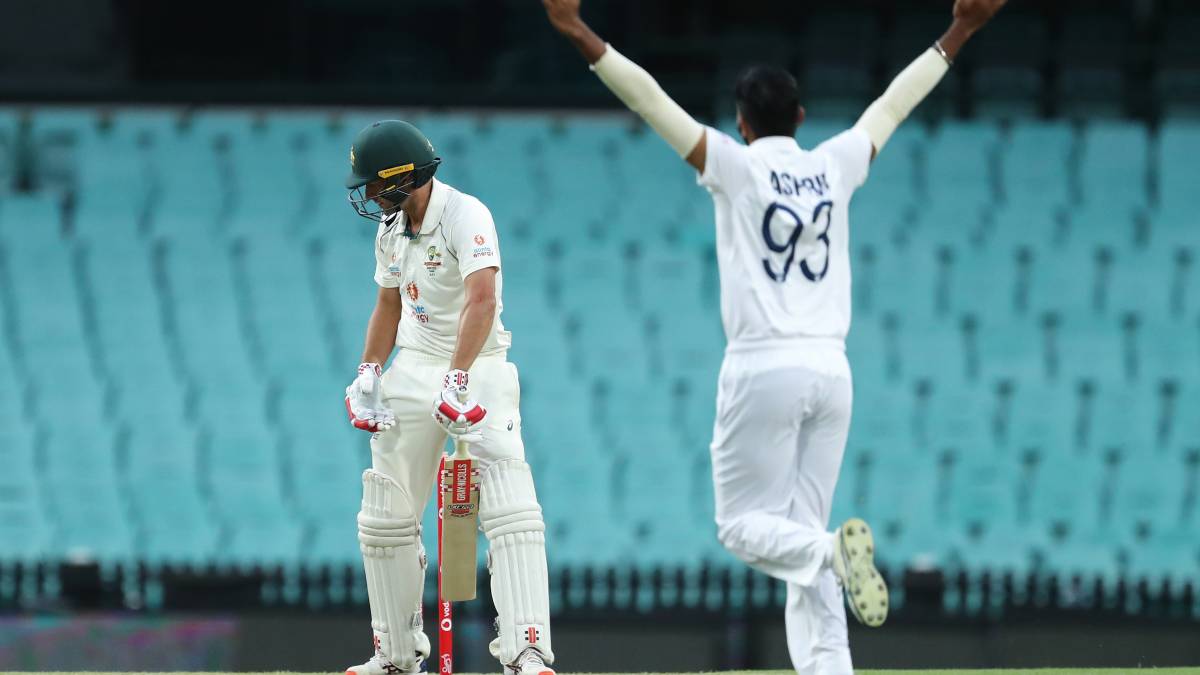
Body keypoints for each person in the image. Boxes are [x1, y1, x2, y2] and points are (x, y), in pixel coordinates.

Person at [540, 1, 1006, 672]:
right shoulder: (835, 162)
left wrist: (579, 32)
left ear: (741, 122)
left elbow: (651, 101)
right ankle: (829, 664)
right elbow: (893, 105)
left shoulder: (734, 165)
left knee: (749, 529)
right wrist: (960, 29)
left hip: (764, 366)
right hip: (833, 371)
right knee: (798, 530)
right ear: (802, 119)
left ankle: (829, 554)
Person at [341, 120, 555, 675]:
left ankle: (526, 650)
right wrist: (369, 371)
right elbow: (389, 304)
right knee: (385, 513)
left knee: (511, 506)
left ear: (401, 177)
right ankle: (394, 656)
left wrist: (458, 376)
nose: (366, 195)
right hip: (411, 370)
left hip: (478, 364)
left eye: (371, 183)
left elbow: (481, 300)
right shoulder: (390, 228)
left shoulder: (467, 215)